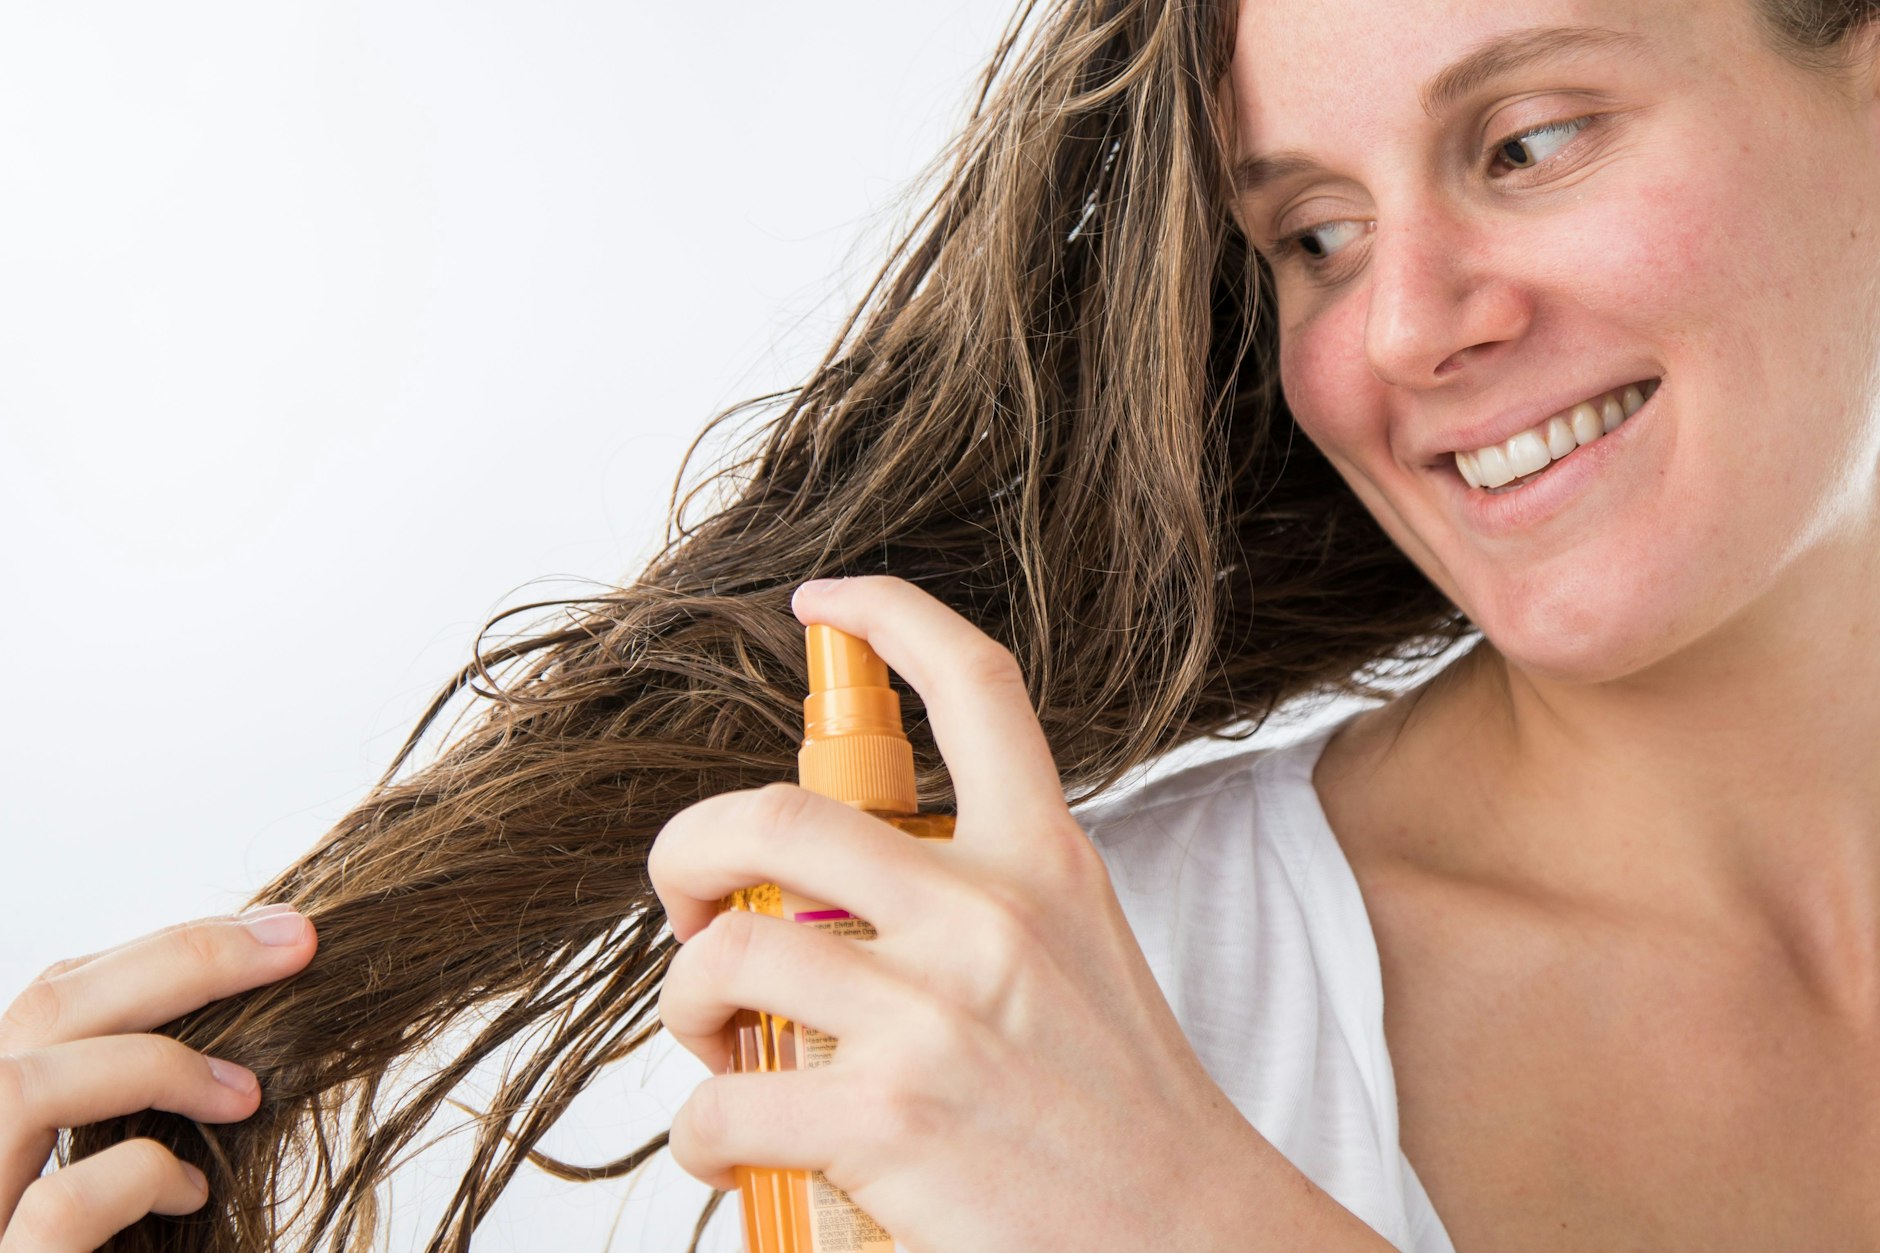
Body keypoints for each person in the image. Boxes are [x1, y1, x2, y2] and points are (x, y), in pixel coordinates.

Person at [5, 0, 1878, 1247]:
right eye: (1312, 234)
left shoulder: (1112, 1122)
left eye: (1532, 141)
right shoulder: (1060, 1018)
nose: (1402, 330)